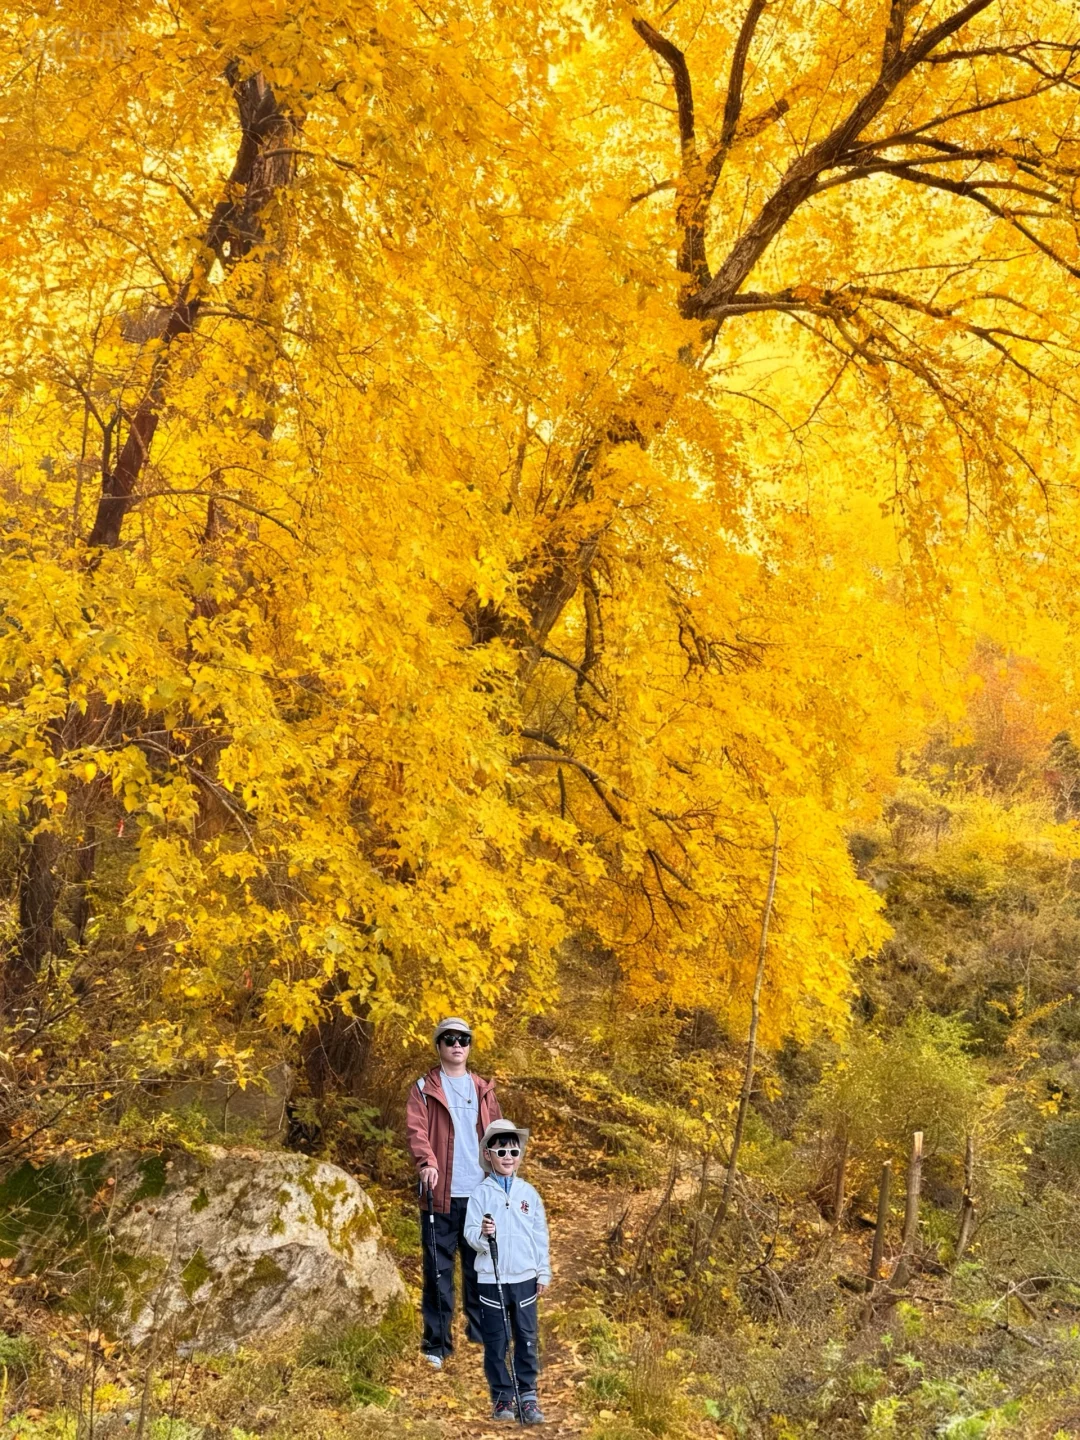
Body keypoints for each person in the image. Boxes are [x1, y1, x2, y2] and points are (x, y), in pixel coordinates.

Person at [405, 1016, 502, 1368]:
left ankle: (481, 1335)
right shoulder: (424, 1088)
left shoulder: (483, 1090)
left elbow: (498, 1138)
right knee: (438, 1272)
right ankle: (437, 1345)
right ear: (439, 1046)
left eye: (463, 1038)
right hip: (440, 1194)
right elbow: (417, 1131)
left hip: (480, 1196)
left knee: (482, 1269)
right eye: (449, 1039)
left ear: (470, 1046)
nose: (457, 1044)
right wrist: (427, 1163)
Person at [465, 1119, 551, 1425]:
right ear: (488, 1154)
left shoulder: (529, 1194)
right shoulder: (481, 1194)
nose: (507, 1157)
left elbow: (539, 1234)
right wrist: (484, 1235)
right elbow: (470, 1236)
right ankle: (503, 1396)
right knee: (497, 1340)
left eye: (513, 1151)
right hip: (492, 1279)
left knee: (526, 1337)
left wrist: (543, 1272)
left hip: (524, 1278)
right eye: (500, 1151)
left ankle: (528, 1395)